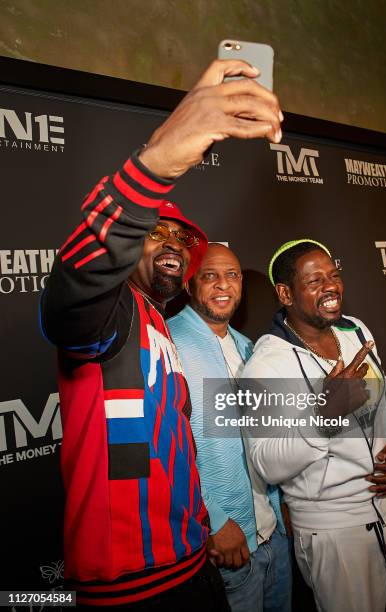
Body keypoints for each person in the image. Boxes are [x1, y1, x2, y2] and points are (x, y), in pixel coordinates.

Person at [40, 59, 283, 609]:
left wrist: (349, 398)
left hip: (192, 561)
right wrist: (157, 162)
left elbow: (215, 438)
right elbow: (76, 287)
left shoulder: (190, 336)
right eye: (155, 233)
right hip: (132, 583)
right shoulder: (113, 313)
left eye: (180, 237)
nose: (171, 243)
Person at [241, 239, 386, 612]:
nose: (331, 286)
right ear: (285, 293)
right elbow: (267, 463)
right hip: (335, 529)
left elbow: (385, 397)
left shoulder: (354, 330)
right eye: (315, 280)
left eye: (334, 275)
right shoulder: (266, 365)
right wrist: (325, 416)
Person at [168, 243, 292, 612]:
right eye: (210, 276)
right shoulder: (169, 342)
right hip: (226, 547)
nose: (224, 285)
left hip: (274, 537)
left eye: (232, 275)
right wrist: (214, 522)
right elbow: (166, 449)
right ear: (190, 284)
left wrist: (281, 503)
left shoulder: (248, 346)